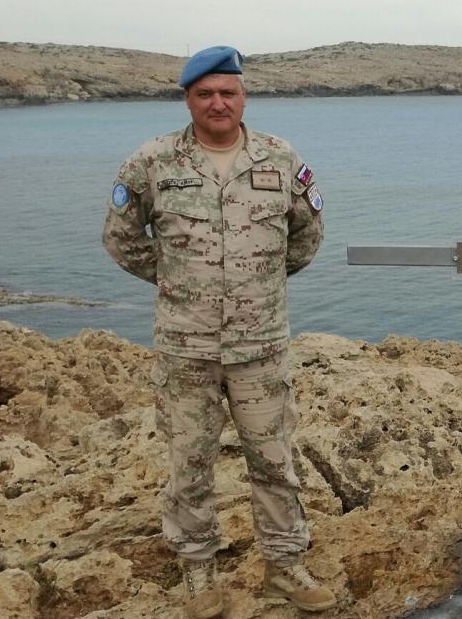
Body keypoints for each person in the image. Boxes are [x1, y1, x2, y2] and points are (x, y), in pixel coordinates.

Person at [102, 46, 334, 617]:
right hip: (187, 348)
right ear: (188, 99)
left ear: (243, 97)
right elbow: (121, 238)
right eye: (205, 93)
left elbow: (306, 236)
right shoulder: (153, 162)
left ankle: (285, 566)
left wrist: (258, 284)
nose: (217, 103)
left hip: (260, 348)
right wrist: (178, 281)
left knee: (274, 461)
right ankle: (199, 572)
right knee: (189, 463)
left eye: (228, 92)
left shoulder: (280, 158)